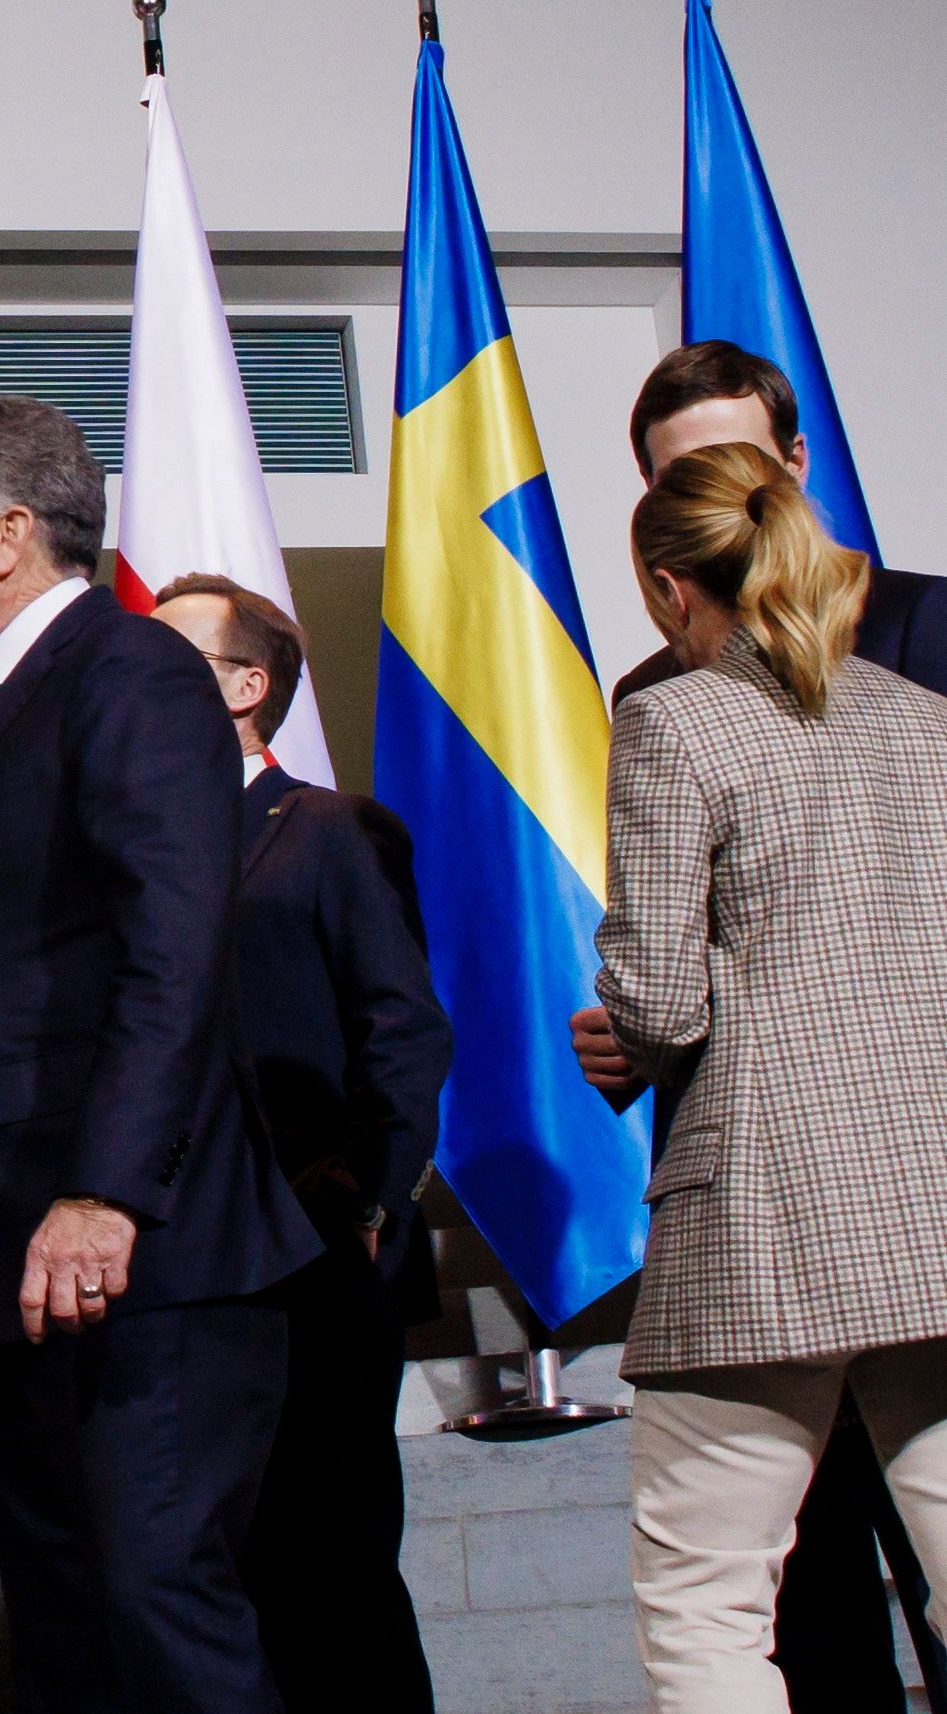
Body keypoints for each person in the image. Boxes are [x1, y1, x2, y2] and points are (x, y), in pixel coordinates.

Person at [0, 393, 319, 1711]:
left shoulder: (125, 670)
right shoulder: (3, 704)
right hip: (20, 1258)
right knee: (71, 1631)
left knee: (154, 1610)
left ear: (6, 535)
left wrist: (103, 1189)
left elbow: (169, 943)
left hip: (136, 1258)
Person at [568, 341, 943, 1707]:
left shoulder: (676, 720)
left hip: (768, 1213)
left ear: (672, 579)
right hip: (930, 1201)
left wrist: (635, 1015)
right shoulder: (920, 720)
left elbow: (658, 1000)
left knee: (705, 1598)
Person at [152, 574, 454, 1714]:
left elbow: (401, 1030)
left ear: (245, 684)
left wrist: (366, 1201)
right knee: (217, 1568)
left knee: (329, 1556)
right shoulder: (130, 846)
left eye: (171, 651)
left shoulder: (329, 830)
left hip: (317, 1253)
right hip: (180, 1265)